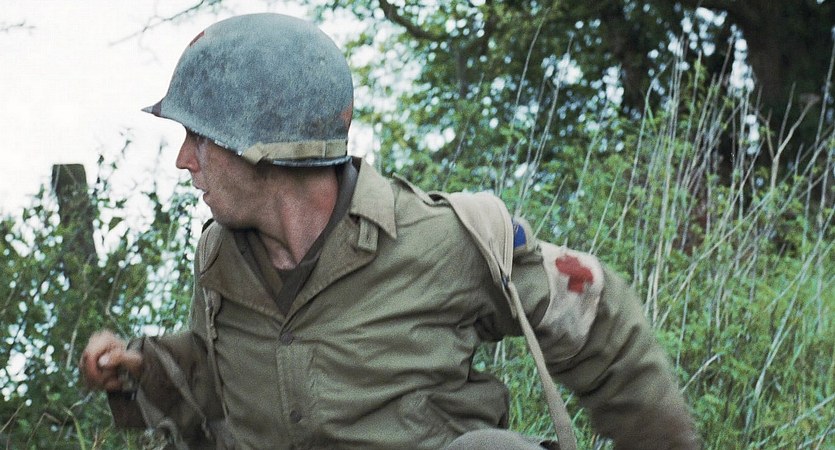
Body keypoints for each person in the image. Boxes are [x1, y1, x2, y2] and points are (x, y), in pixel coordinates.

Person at [80, 13, 699, 450]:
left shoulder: (444, 239)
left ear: (262, 144)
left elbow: (595, 318)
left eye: (199, 137)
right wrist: (140, 370)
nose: (183, 160)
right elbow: (225, 385)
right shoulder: (220, 258)